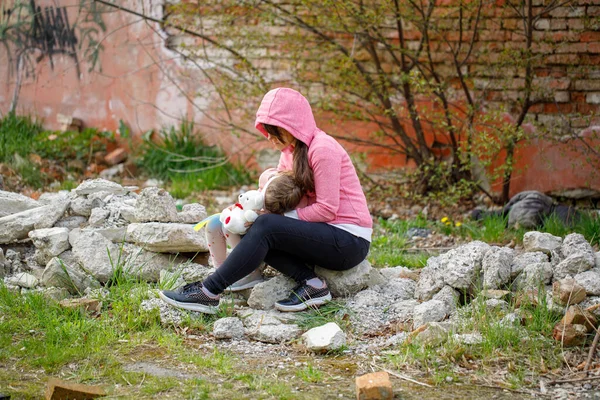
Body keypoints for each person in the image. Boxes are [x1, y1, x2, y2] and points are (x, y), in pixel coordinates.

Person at [159, 87, 372, 314]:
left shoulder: (323, 150)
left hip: (348, 240)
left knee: (266, 227)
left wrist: (274, 219)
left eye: (274, 130)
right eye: (266, 131)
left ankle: (209, 291)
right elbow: (279, 198)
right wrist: (248, 211)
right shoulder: (289, 151)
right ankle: (313, 285)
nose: (269, 137)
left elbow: (327, 210)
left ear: (293, 126)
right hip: (320, 234)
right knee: (253, 227)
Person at [204, 170, 305, 291]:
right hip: (252, 224)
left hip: (258, 245)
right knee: (213, 223)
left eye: (261, 189)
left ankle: (250, 273)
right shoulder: (264, 191)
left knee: (228, 226)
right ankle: (220, 269)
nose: (258, 192)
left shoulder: (283, 206)